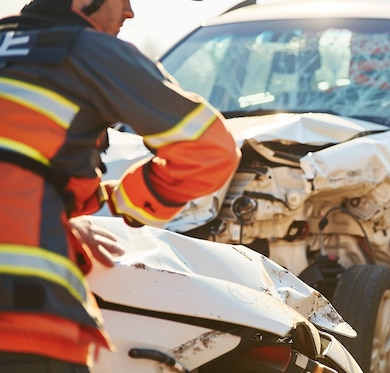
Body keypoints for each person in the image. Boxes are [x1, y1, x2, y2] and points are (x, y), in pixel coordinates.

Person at [0, 0, 241, 371]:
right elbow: (211, 150)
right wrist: (123, 203)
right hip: (24, 318)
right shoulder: (87, 50)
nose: (130, 13)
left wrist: (55, 215)